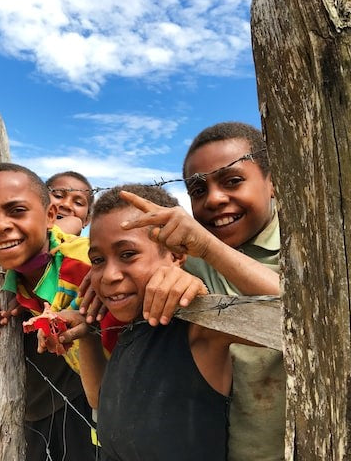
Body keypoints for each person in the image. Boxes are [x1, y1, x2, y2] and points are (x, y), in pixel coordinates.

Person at [45, 183, 247, 460]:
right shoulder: (132, 324)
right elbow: (102, 403)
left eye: (127, 254)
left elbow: (302, 323)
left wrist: (209, 253)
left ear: (176, 255)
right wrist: (88, 333)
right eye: (98, 260)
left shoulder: (200, 327)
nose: (109, 275)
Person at [120, 122, 284, 460]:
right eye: (197, 190)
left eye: (233, 181)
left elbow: (307, 317)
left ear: (273, 183)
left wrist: (210, 248)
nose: (214, 199)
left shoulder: (313, 247)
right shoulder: (189, 257)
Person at [0, 163, 96, 461]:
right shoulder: (11, 287)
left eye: (16, 210)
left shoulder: (88, 257)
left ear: (50, 215)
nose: (0, 225)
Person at [46, 171, 94, 235]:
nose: (66, 204)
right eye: (58, 196)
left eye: (78, 203)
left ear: (87, 219)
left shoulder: (86, 244)